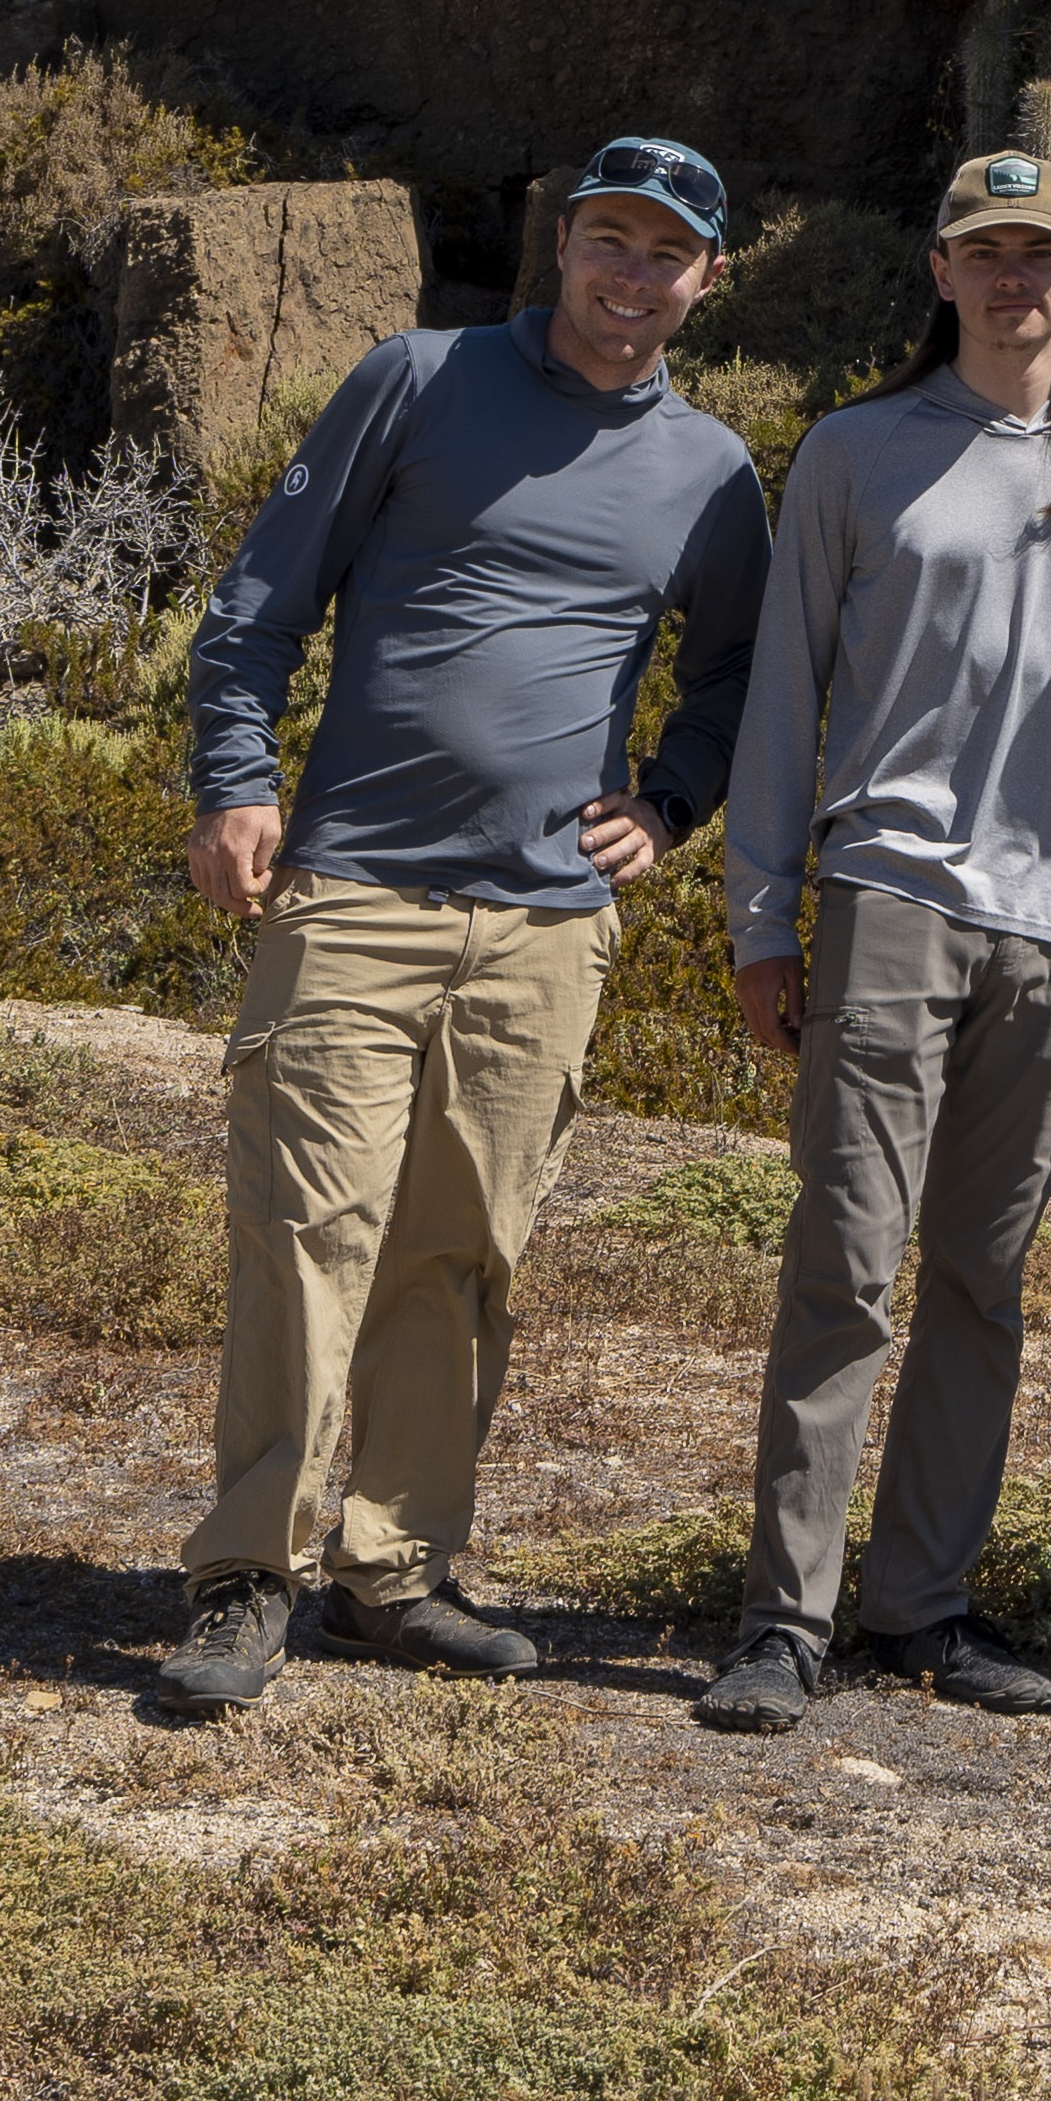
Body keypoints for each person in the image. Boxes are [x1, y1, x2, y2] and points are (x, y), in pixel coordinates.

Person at [160, 135, 770, 1718]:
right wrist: (237, 783)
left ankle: (398, 1566)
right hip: (354, 888)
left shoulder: (711, 472)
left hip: (547, 926)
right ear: (561, 242)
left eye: (667, 255)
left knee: (461, 1249)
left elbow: (740, 676)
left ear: (706, 281)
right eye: (610, 242)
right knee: (308, 1232)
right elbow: (256, 607)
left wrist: (676, 799)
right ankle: (246, 1576)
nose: (631, 278)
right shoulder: (416, 379)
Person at [695, 145, 1051, 1736]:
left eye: (1037, 252)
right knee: (845, 1259)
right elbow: (787, 694)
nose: (1010, 279)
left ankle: (920, 1605)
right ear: (940, 269)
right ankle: (785, 1614)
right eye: (983, 250)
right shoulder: (856, 454)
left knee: (984, 1275)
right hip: (892, 901)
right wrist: (764, 910)